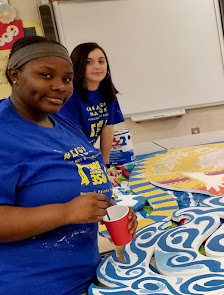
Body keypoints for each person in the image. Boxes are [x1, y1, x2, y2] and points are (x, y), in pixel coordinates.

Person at [0, 36, 137, 295]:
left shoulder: (63, 124)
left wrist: (108, 210)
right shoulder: (4, 133)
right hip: (32, 286)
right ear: (15, 75)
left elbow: (79, 185)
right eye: (46, 75)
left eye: (66, 79)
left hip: (89, 279)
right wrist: (66, 212)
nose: (59, 87)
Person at [59, 42, 124, 186]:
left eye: (101, 61)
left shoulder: (106, 89)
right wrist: (97, 170)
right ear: (78, 65)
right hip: (66, 161)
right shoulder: (70, 96)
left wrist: (105, 166)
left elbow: (108, 126)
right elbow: (73, 141)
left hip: (86, 155)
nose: (97, 66)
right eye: (89, 62)